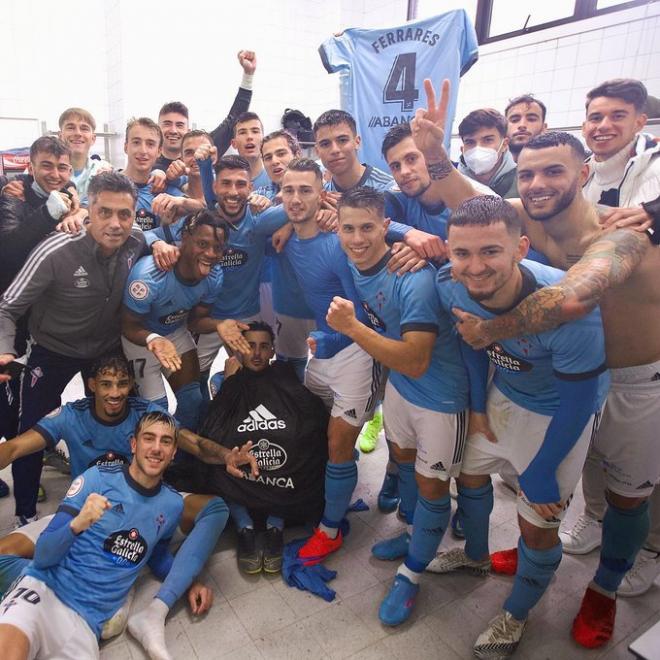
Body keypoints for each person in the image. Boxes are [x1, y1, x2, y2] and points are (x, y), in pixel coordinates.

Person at [451, 130, 660, 648]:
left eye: (554, 171)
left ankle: (604, 589)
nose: (538, 183)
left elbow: (568, 301)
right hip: (557, 381)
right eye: (527, 174)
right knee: (569, 492)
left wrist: (488, 331)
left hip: (635, 383)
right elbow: (468, 213)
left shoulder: (623, 233)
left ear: (585, 173)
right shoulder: (529, 227)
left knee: (627, 497)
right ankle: (546, 545)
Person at [433, 195, 608, 658]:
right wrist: (476, 407)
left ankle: (517, 612)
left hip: (559, 417)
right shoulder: (450, 283)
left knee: (537, 526)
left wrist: (543, 467)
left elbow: (580, 400)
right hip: (504, 396)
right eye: (462, 252)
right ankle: (474, 555)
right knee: (468, 477)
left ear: (521, 248)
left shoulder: (570, 309)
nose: (474, 267)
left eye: (490, 251)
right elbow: (471, 342)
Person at [328, 187, 468, 625]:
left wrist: (349, 328)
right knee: (403, 460)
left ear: (386, 227)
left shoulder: (413, 275)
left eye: (367, 227)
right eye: (348, 228)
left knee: (431, 486)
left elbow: (416, 357)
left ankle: (412, 574)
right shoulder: (357, 261)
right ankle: (412, 534)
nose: (357, 238)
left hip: (441, 394)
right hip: (403, 389)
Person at [0, 171, 144, 527]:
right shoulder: (55, 250)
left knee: (129, 417)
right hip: (52, 349)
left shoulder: (136, 241)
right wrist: (4, 349)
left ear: (134, 215)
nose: (115, 223)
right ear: (88, 211)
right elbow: (7, 306)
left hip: (105, 349)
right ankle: (26, 515)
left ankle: (129, 493)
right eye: (104, 212)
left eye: (124, 214)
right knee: (31, 430)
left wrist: (165, 245)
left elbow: (155, 239)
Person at [0, 411, 194, 660]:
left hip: (87, 623)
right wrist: (77, 524)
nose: (157, 448)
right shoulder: (97, 479)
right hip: (45, 590)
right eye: (149, 438)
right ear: (133, 445)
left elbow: (157, 557)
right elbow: (43, 557)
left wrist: (189, 581)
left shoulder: (172, 504)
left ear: (174, 451)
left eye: (165, 441)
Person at [278, 158, 382, 564]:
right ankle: (334, 499)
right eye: (289, 190)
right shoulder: (288, 235)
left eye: (306, 190)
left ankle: (331, 530)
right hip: (321, 350)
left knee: (339, 443)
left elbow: (363, 312)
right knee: (320, 434)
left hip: (355, 351)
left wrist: (332, 337)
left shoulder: (339, 241)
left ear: (322, 194)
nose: (296, 198)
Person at [198, 322, 328, 574]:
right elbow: (215, 426)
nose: (256, 354)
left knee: (299, 446)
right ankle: (244, 527)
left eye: (263, 347)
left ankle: (274, 527)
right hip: (242, 464)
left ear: (272, 351)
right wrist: (228, 381)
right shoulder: (230, 381)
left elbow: (308, 414)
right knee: (216, 458)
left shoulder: (283, 373)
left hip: (283, 466)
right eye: (250, 346)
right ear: (240, 349)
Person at [0, 136, 77, 477]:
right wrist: (52, 212)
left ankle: (38, 454)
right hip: (12, 310)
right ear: (31, 166)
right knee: (9, 395)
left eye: (62, 166)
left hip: (47, 315)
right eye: (46, 165)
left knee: (41, 394)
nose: (55, 173)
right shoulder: (13, 196)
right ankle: (14, 457)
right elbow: (11, 252)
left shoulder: (72, 192)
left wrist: (79, 210)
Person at [121, 209, 226, 432]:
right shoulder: (149, 275)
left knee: (192, 403)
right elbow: (128, 326)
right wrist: (154, 339)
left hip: (175, 332)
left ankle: (178, 460)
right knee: (156, 413)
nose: (211, 254)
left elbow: (194, 322)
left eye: (218, 248)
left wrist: (220, 326)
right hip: (141, 338)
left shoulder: (215, 275)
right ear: (184, 238)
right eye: (203, 244)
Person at [258, 131, 316, 380]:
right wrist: (290, 212)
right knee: (290, 373)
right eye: (267, 157)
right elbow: (260, 227)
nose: (274, 161)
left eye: (281, 153)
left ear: (297, 154)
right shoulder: (262, 198)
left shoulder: (323, 188)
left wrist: (290, 221)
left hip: (326, 301)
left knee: (337, 373)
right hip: (288, 302)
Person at [154, 49, 256, 175]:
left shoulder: (205, 153)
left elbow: (233, 120)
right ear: (158, 130)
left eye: (180, 125)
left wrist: (248, 75)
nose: (173, 130)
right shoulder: (147, 164)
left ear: (188, 131)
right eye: (167, 124)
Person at [122, 118, 194, 231]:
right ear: (126, 147)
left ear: (159, 151)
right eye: (136, 142)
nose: (143, 150)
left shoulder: (165, 189)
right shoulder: (105, 184)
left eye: (150, 144)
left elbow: (202, 208)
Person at [457, 108, 518, 198]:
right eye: (470, 142)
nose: (478, 148)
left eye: (488, 140)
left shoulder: (522, 181)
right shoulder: (451, 181)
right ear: (462, 149)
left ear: (504, 145)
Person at [58, 107, 112, 205]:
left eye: (84, 128)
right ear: (60, 136)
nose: (78, 133)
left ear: (93, 138)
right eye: (70, 127)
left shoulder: (103, 170)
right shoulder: (43, 171)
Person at [231, 111, 270, 189]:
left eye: (255, 131)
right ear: (234, 143)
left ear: (264, 141)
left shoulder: (275, 180)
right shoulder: (224, 181)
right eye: (242, 132)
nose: (249, 136)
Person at [504, 95, 548, 163]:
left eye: (531, 119)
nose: (522, 125)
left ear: (544, 128)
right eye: (515, 120)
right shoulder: (489, 170)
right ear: (504, 127)